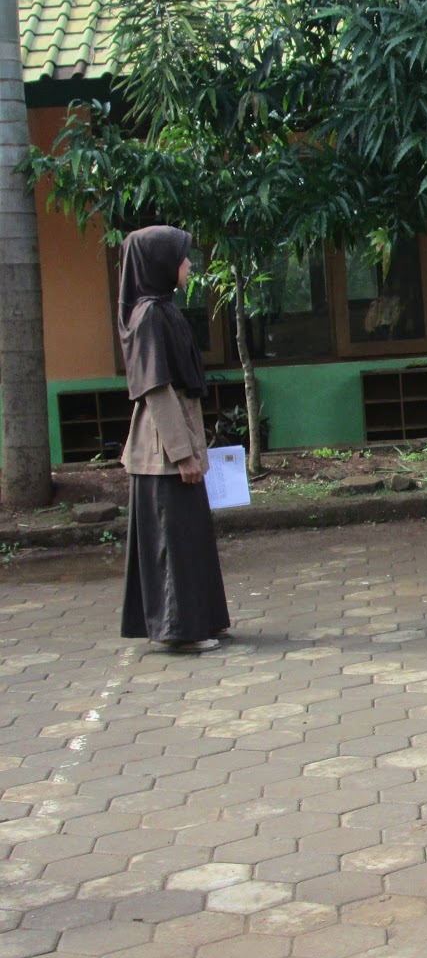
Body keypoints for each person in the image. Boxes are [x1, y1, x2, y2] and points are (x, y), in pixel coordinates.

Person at [117, 226, 230, 652]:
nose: (188, 265)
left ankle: (203, 621)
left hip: (179, 434)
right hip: (161, 448)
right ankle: (180, 630)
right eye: (181, 257)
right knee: (172, 540)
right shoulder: (148, 315)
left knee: (190, 536)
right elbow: (157, 389)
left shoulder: (163, 309)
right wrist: (182, 454)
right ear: (160, 263)